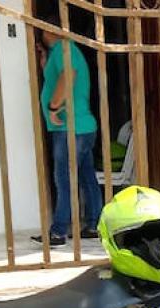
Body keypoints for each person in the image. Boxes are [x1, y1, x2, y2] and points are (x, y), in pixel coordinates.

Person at [34, 15, 102, 247]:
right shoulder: (62, 52)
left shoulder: (65, 49)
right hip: (81, 127)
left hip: (71, 128)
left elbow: (68, 75)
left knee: (63, 178)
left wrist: (54, 106)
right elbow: (57, 76)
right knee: (85, 176)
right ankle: (94, 224)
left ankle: (59, 231)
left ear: (47, 30)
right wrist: (44, 60)